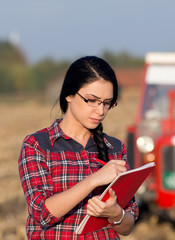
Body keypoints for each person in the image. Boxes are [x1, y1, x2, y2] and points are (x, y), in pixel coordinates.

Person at [18, 56, 138, 239]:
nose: (100, 111)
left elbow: (127, 226)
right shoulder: (38, 145)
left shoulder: (115, 148)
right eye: (92, 100)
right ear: (69, 94)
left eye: (107, 103)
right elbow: (42, 214)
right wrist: (93, 180)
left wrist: (115, 213)